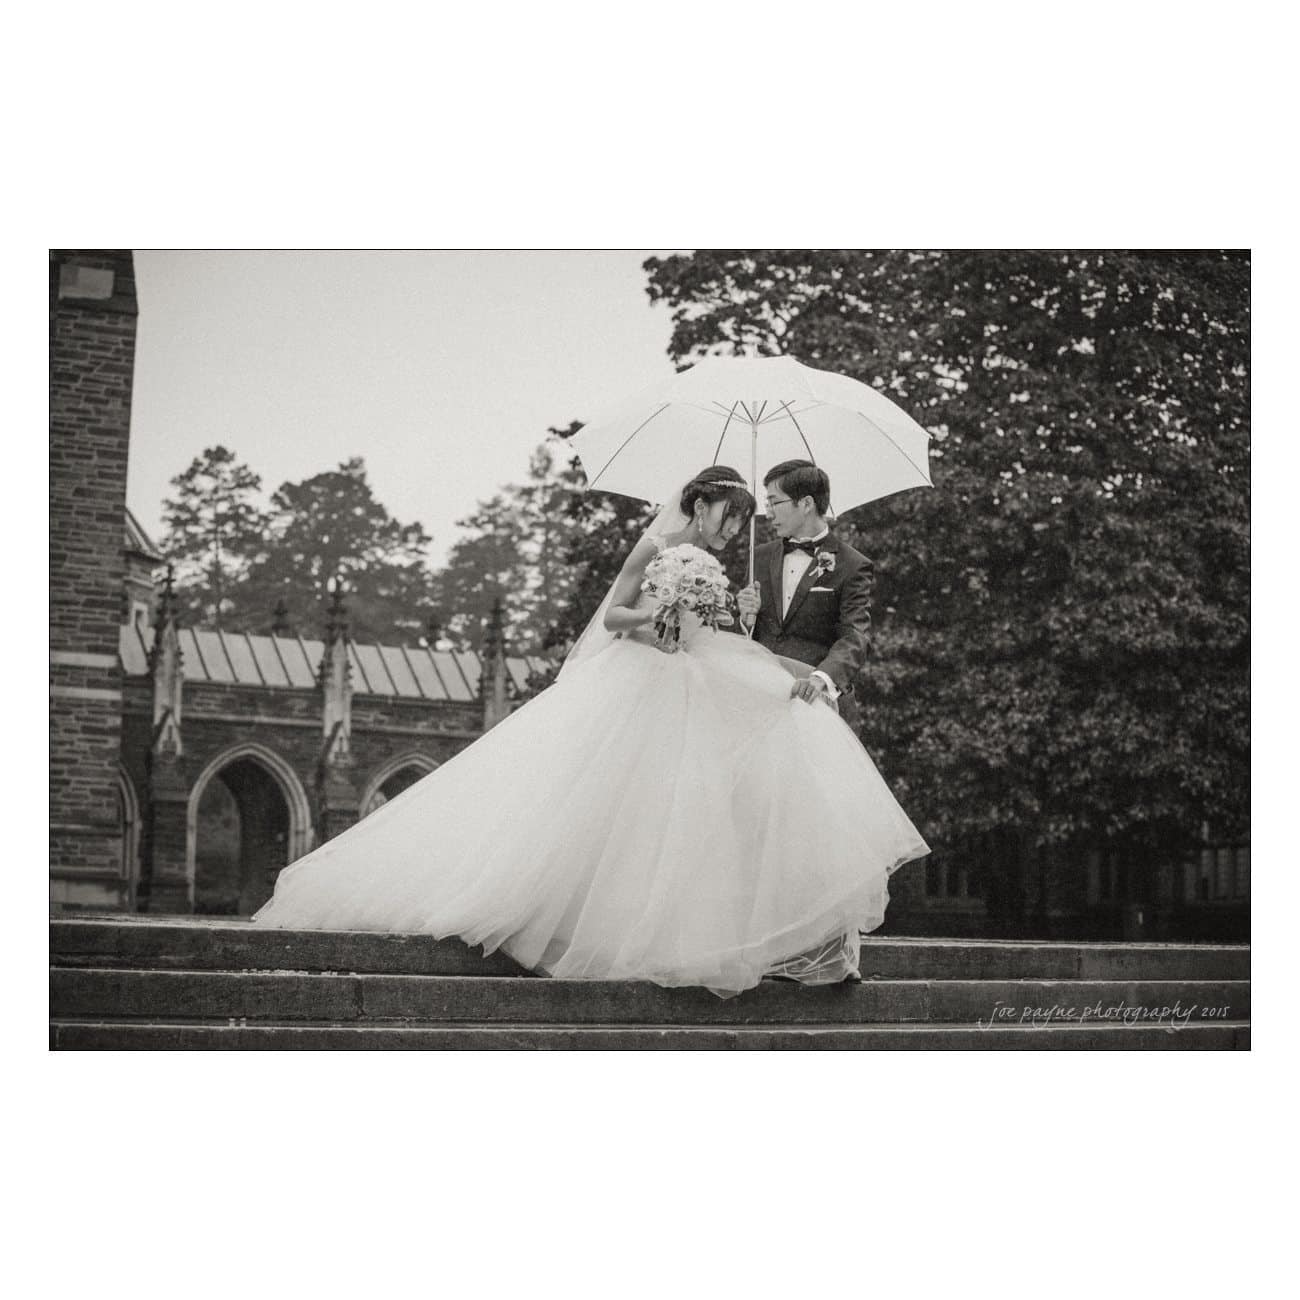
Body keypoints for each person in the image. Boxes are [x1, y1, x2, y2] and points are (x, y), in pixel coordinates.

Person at [252, 465, 928, 998]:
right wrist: (659, 619)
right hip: (640, 682)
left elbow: (721, 638)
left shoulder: (729, 566)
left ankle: (733, 937)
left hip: (696, 683)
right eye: (735, 515)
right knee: (603, 801)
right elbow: (613, 618)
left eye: (755, 515)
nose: (738, 527)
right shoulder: (658, 544)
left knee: (686, 807)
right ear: (701, 505)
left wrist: (737, 618)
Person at [736, 459, 879, 982]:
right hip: (760, 708)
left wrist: (821, 681)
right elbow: (744, 639)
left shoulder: (851, 564)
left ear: (806, 504)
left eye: (775, 501)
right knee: (760, 825)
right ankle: (765, 945)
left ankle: (828, 955)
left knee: (821, 829)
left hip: (817, 710)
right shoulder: (760, 557)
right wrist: (741, 612)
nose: (767, 511)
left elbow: (854, 637)